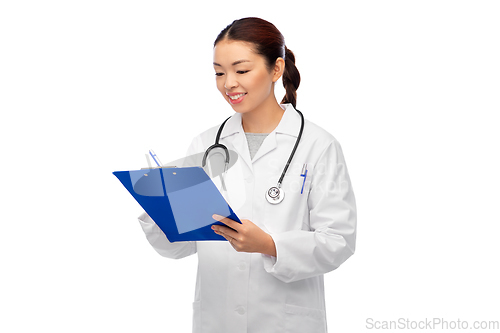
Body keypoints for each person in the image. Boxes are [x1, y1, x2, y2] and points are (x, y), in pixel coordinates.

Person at [138, 17, 357, 333]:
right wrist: (158, 207)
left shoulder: (317, 145)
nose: (228, 83)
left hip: (285, 322)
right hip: (216, 320)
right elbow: (180, 247)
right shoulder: (206, 144)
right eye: (219, 72)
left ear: (276, 69)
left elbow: (338, 241)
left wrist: (270, 244)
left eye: (241, 70)